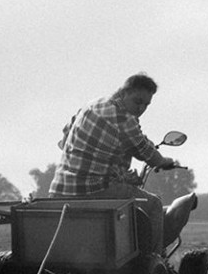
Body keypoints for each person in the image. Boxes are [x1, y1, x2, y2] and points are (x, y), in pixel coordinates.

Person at [49, 73, 195, 253]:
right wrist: (165, 161)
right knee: (154, 204)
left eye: (146, 104)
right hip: (95, 190)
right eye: (137, 101)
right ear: (124, 93)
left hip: (59, 190)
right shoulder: (124, 117)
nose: (141, 108)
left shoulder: (92, 105)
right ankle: (155, 260)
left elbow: (65, 138)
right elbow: (146, 152)